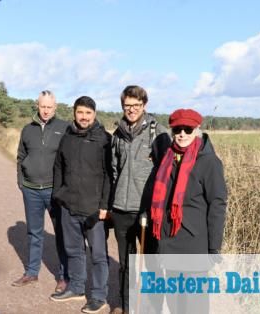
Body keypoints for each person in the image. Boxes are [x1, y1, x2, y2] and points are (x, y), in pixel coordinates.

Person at [148, 109, 227, 313]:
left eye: (188, 129)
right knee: (175, 301)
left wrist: (213, 247)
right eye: (177, 129)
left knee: (194, 304)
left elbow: (217, 205)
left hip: (194, 242)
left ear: (197, 130)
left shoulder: (209, 161)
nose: (182, 134)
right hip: (169, 240)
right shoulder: (167, 158)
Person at [50, 96, 112, 314]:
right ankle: (76, 287)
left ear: (94, 114)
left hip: (94, 210)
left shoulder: (104, 139)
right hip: (69, 205)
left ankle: (98, 295)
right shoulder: (67, 138)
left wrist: (104, 206)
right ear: (74, 113)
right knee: (74, 250)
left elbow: (109, 175)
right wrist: (59, 194)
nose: (84, 117)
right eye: (80, 112)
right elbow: (58, 167)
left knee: (98, 255)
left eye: (88, 113)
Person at [109, 85, 168, 314]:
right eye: (127, 106)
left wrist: (156, 207)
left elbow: (165, 173)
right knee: (126, 263)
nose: (131, 110)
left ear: (144, 105)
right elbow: (114, 170)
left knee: (152, 263)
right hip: (122, 210)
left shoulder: (158, 133)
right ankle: (125, 305)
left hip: (148, 211)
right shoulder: (118, 134)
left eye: (136, 105)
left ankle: (153, 309)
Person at [13, 90, 70, 293]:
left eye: (49, 107)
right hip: (31, 190)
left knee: (61, 233)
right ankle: (31, 272)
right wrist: (21, 182)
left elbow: (69, 160)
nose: (45, 111)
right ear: (37, 106)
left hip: (54, 191)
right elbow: (20, 156)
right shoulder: (27, 129)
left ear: (55, 107)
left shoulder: (64, 128)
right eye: (42, 106)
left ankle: (64, 277)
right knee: (34, 233)